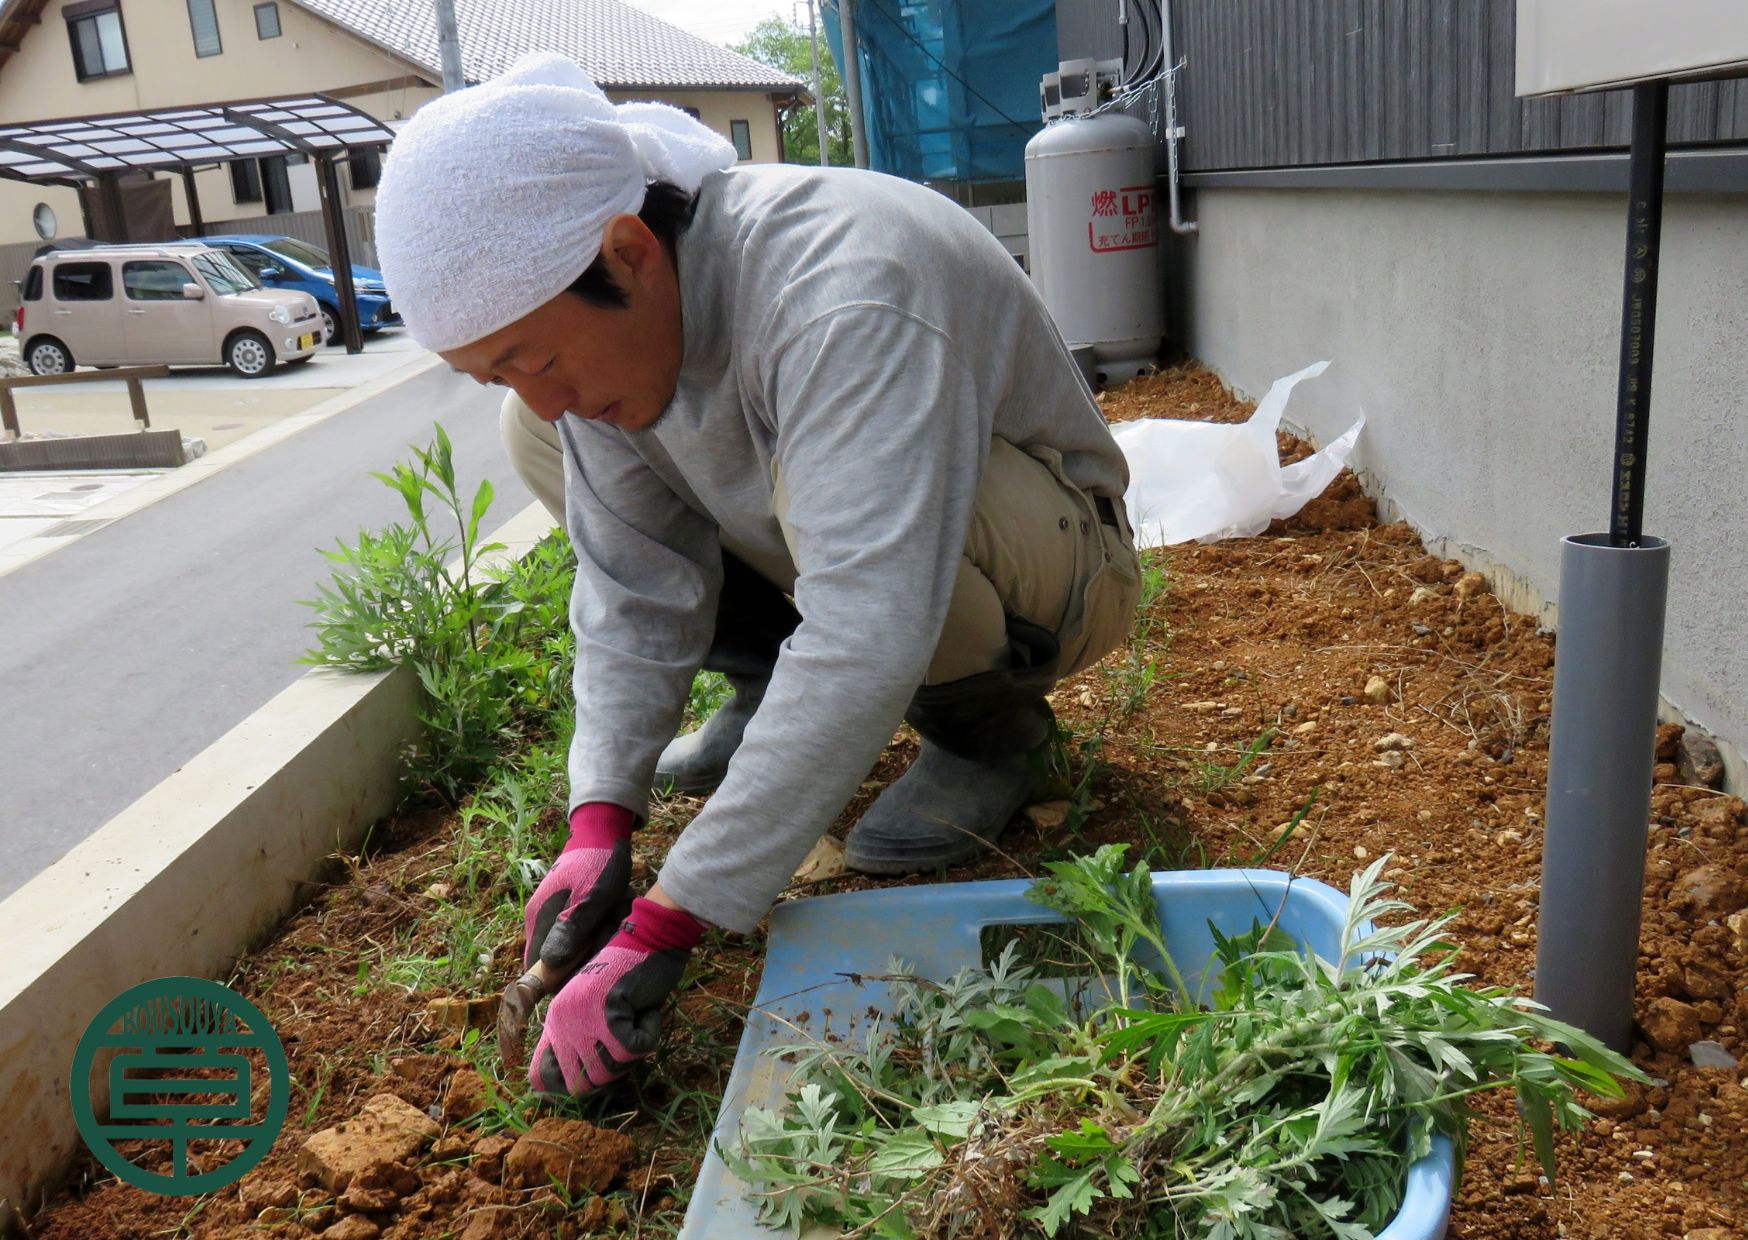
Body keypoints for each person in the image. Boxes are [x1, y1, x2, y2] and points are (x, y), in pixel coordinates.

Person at [373, 53, 1140, 1101]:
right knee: (550, 436)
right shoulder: (598, 330)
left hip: (1049, 557)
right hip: (851, 538)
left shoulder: (841, 291)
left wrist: (672, 916)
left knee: (829, 505)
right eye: (492, 365)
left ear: (628, 250)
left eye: (530, 355)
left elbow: (869, 614)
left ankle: (989, 732)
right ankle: (767, 689)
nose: (538, 393)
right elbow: (632, 588)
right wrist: (599, 815)